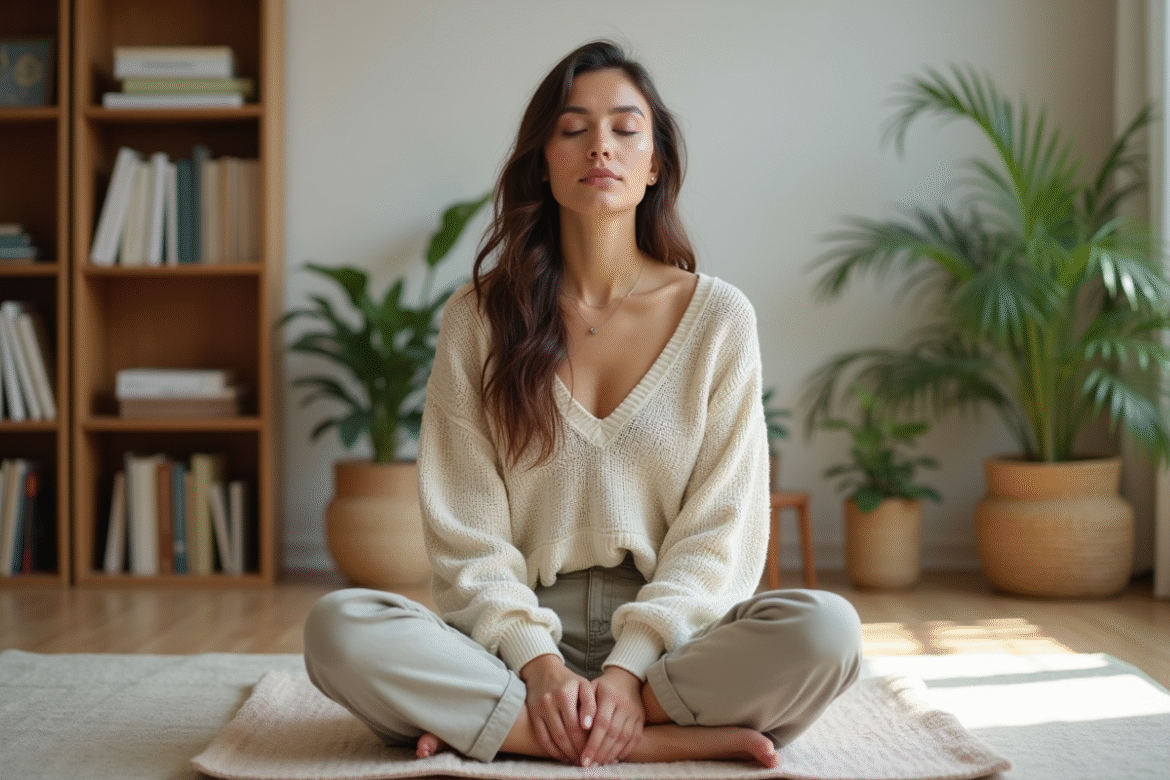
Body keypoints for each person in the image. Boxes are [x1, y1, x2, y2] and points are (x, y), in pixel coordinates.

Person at [303, 39, 861, 769]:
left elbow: (720, 532)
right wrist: (538, 667)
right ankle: (649, 740)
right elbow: (465, 529)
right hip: (513, 644)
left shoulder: (720, 318)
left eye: (626, 128)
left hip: (674, 647)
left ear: (655, 162)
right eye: (574, 128)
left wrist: (629, 673)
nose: (601, 144)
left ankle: (517, 732)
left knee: (827, 632)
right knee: (339, 628)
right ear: (543, 159)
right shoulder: (477, 319)